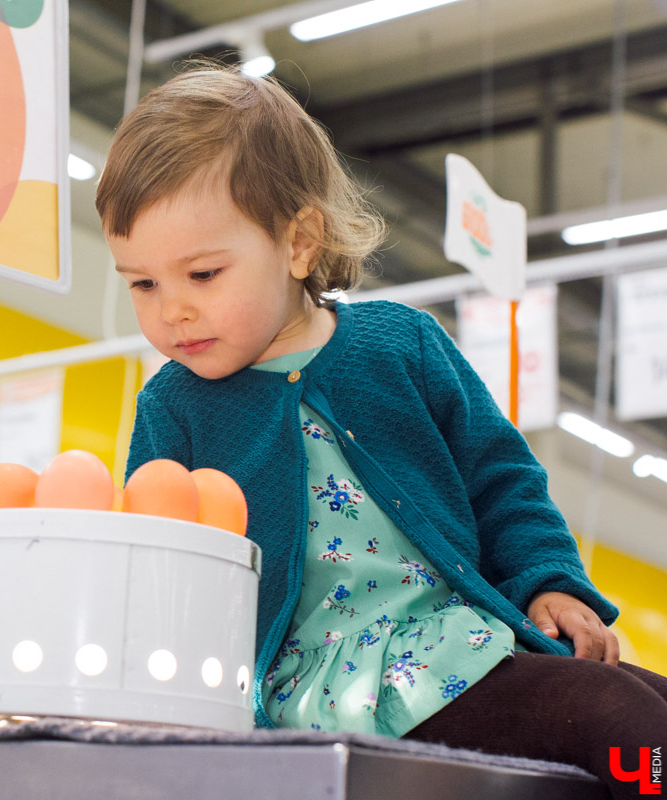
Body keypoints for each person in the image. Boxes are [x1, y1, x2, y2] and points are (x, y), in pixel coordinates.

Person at [96, 64, 667, 798]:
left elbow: (503, 480)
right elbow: (155, 574)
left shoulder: (402, 345)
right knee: (618, 717)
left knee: (648, 702)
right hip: (327, 683)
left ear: (299, 242)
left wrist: (550, 583)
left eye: (202, 274)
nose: (170, 311)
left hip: (453, 646)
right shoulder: (170, 408)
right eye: (142, 283)